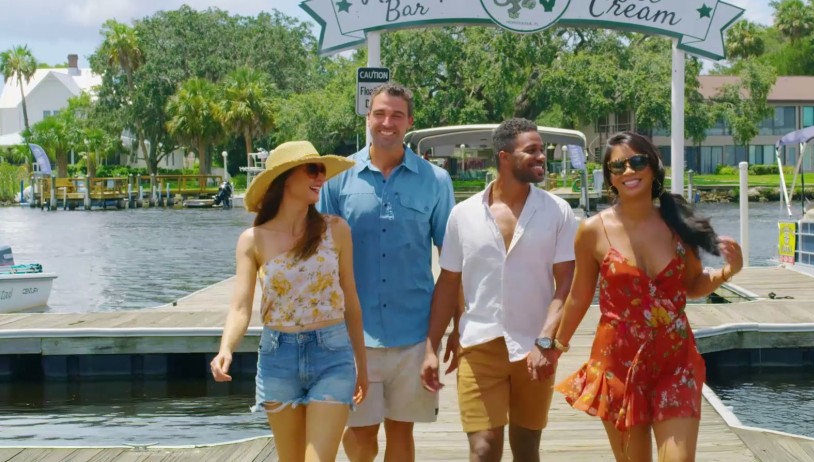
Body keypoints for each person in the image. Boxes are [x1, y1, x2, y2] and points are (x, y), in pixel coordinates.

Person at [553, 131, 743, 462]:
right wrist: (555, 347)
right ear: (609, 177)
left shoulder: (678, 223)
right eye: (618, 166)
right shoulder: (591, 231)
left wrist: (729, 272)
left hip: (675, 362)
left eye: (637, 161)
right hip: (618, 365)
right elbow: (580, 296)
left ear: (653, 166)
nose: (628, 171)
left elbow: (694, 284)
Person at [421, 118, 579, 462]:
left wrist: (547, 339)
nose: (542, 157)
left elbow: (565, 281)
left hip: (534, 349)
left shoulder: (558, 212)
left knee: (526, 450)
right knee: (483, 450)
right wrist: (430, 348)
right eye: (532, 151)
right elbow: (448, 283)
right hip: (478, 347)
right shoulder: (463, 215)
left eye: (543, 150)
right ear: (504, 157)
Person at [318, 82, 456, 462]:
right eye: (380, 113)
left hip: (414, 333)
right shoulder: (338, 179)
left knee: (402, 432)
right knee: (359, 435)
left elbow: (452, 263)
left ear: (409, 122)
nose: (387, 122)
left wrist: (452, 329)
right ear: (368, 118)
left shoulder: (436, 181)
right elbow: (319, 255)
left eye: (397, 115)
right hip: (351, 335)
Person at [210, 140, 368, 462]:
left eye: (322, 170)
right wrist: (226, 348)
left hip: (332, 356)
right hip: (277, 358)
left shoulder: (336, 230)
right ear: (285, 178)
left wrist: (362, 366)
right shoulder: (252, 240)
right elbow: (240, 307)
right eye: (312, 169)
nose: (321, 177)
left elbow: (350, 300)